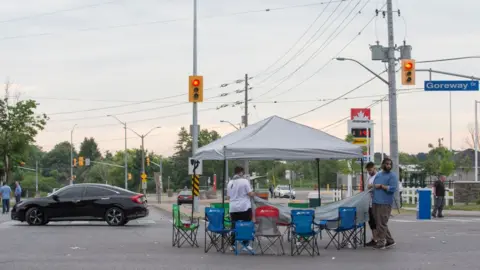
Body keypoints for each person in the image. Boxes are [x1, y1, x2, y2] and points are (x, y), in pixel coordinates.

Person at [371, 158, 398, 250]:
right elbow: (374, 186)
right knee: (379, 223)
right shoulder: (378, 175)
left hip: (385, 203)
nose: (388, 166)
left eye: (390, 164)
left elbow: (393, 188)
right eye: (386, 164)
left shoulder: (392, 176)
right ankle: (390, 241)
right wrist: (373, 187)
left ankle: (381, 242)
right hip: (375, 201)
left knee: (382, 223)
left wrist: (382, 186)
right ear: (382, 164)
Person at [227, 166, 255, 252]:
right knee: (246, 225)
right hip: (244, 207)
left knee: (234, 226)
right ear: (241, 173)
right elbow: (250, 193)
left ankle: (232, 245)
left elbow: (228, 196)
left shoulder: (230, 182)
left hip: (233, 208)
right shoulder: (245, 181)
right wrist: (255, 193)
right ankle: (245, 243)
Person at [365, 161, 378, 247]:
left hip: (376, 202)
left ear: (374, 168)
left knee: (376, 221)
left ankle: (378, 239)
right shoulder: (369, 177)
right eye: (368, 170)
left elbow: (379, 186)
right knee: (371, 222)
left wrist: (372, 186)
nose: (369, 172)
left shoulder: (378, 176)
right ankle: (374, 238)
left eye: (370, 170)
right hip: (369, 201)